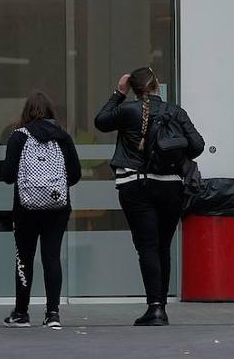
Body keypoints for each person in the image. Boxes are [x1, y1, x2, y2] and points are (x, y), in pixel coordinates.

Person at [95, 67, 204, 327]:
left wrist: (118, 93)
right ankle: (161, 308)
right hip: (171, 187)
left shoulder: (127, 110)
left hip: (135, 185)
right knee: (162, 246)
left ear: (134, 89)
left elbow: (101, 121)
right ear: (157, 86)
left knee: (147, 246)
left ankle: (154, 308)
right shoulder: (174, 111)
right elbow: (198, 146)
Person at [1, 91, 81, 330]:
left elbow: (7, 176)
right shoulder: (63, 137)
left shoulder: (18, 137)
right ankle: (53, 314)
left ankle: (21, 313)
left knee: (24, 258)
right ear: (51, 112)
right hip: (57, 208)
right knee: (52, 257)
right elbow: (75, 175)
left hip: (25, 207)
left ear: (26, 112)